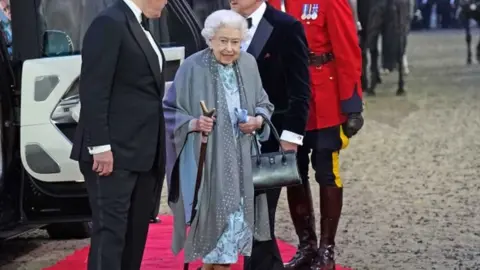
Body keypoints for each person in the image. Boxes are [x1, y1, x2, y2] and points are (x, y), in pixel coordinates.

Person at [163, 9, 275, 270]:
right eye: (223, 41)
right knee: (217, 243)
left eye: (235, 42)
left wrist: (257, 121)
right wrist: (193, 123)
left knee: (226, 245)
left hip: (242, 165)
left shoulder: (249, 64)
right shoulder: (192, 67)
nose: (229, 48)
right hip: (208, 164)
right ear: (210, 39)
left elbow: (264, 104)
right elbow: (169, 111)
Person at [69, 0, 167, 269]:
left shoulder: (138, 24)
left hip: (143, 152)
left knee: (135, 236)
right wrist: (99, 146)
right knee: (111, 236)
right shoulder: (109, 23)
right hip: (112, 154)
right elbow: (93, 89)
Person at [268, 0, 364, 269]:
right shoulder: (271, 2)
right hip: (286, 100)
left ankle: (326, 250)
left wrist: (352, 103)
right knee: (293, 174)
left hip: (323, 97)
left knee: (326, 172)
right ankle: (306, 247)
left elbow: (347, 48)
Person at [229, 1, 311, 270]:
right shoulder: (221, 24)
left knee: (260, 216)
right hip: (229, 140)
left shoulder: (287, 27)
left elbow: (300, 91)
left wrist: (291, 139)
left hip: (271, 141)